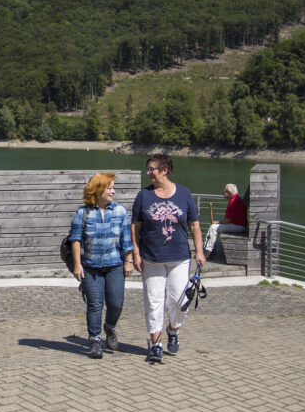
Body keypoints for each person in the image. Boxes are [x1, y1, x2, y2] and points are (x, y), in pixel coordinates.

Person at [130, 154, 206, 363]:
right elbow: (135, 226)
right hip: (152, 258)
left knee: (179, 301)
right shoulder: (144, 196)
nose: (149, 173)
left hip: (179, 258)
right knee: (154, 302)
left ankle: (173, 330)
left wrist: (199, 251)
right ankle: (156, 343)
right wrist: (135, 253)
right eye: (148, 169)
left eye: (152, 169)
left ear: (165, 170)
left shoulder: (184, 193)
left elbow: (194, 225)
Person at [69, 172, 133, 359]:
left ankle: (110, 328)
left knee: (116, 303)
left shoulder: (120, 211)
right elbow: (75, 240)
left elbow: (126, 240)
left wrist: (128, 261)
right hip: (91, 266)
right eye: (109, 187)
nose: (113, 191)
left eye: (113, 187)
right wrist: (77, 265)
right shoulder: (83, 213)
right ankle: (95, 340)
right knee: (95, 305)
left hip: (115, 266)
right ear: (98, 190)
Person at [206, 183, 248, 251]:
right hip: (239, 225)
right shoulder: (237, 200)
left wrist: (218, 222)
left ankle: (208, 250)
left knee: (213, 228)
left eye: (224, 192)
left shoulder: (233, 202)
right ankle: (210, 247)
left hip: (238, 226)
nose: (223, 194)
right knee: (214, 227)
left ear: (230, 193)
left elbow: (227, 220)